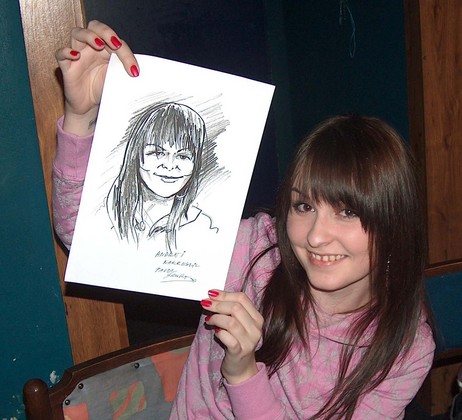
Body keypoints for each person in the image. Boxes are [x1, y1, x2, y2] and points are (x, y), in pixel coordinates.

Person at [54, 21, 435, 419]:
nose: (316, 237)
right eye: (303, 207)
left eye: (348, 212)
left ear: (394, 222)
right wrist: (80, 117)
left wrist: (243, 373)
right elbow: (87, 238)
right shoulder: (254, 251)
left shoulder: (406, 346)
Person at [106, 101, 218, 252]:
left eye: (183, 156)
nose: (170, 165)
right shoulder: (106, 214)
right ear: (136, 156)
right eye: (157, 153)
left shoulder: (201, 227)